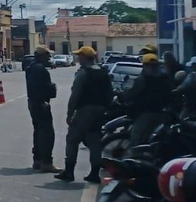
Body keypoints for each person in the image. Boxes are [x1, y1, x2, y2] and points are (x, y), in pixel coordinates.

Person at [56, 46, 111, 183]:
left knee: (72, 139)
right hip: (100, 110)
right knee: (94, 142)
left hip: (85, 109)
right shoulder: (103, 72)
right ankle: (94, 173)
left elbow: (75, 95)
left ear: (86, 58)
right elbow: (110, 93)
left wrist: (70, 114)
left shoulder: (83, 73)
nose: (78, 58)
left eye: (80, 56)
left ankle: (69, 171)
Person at [123, 52, 172, 146]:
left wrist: (124, 97)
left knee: (136, 136)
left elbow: (132, 93)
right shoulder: (164, 79)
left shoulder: (142, 80)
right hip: (161, 113)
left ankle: (134, 156)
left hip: (145, 113)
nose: (151, 67)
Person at [25, 45, 59, 173]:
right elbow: (46, 88)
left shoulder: (31, 67)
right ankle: (46, 162)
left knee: (38, 131)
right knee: (47, 133)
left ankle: (37, 160)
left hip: (33, 102)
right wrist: (52, 88)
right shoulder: (41, 70)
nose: (49, 58)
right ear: (42, 56)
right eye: (47, 55)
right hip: (41, 103)